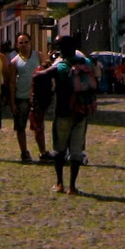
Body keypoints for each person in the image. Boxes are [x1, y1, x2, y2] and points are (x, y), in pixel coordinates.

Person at [47, 35, 98, 195]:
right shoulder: (86, 62)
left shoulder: (60, 66)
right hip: (82, 111)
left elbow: (41, 76)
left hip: (63, 111)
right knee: (76, 151)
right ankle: (73, 187)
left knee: (59, 150)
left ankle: (59, 183)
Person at [10, 33, 45, 163]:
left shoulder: (39, 56)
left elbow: (47, 71)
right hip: (21, 98)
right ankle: (24, 152)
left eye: (26, 42)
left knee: (38, 127)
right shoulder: (14, 62)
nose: (24, 45)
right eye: (21, 43)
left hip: (36, 98)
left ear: (30, 43)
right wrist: (12, 102)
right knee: (20, 127)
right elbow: (12, 83)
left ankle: (43, 152)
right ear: (17, 45)